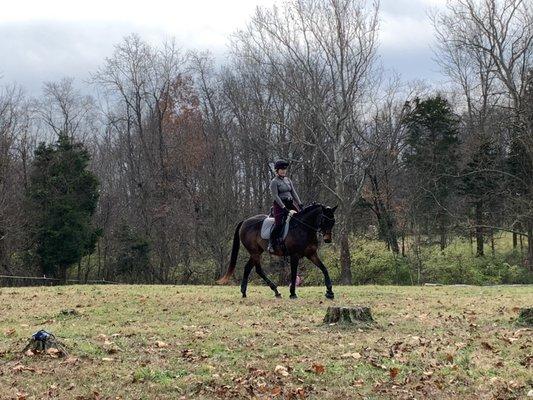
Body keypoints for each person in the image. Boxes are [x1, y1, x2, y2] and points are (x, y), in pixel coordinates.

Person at [268, 159, 303, 253]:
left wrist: (299, 203)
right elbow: (275, 196)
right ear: (277, 170)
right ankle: (271, 243)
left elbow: (293, 192)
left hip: (290, 203)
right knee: (279, 224)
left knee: (300, 219)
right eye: (281, 169)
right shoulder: (274, 182)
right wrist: (283, 207)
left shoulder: (288, 180)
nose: (283, 171)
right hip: (279, 205)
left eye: (284, 169)